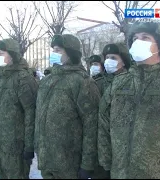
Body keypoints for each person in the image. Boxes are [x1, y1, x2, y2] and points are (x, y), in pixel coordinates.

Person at [98, 21, 160, 179]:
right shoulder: (120, 82)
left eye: (145, 38)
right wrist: (105, 165)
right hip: (119, 174)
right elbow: (104, 124)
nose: (138, 42)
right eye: (135, 39)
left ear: (159, 45)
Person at [35, 34, 100, 179]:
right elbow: (39, 116)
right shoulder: (47, 81)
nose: (54, 54)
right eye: (53, 50)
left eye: (58, 50)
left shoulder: (82, 82)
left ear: (70, 53)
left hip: (70, 163)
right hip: (47, 159)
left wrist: (87, 164)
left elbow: (91, 125)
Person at [0, 38, 38, 179]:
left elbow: (31, 113)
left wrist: (29, 146)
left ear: (13, 55)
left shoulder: (23, 79)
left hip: (16, 147)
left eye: (1, 53)